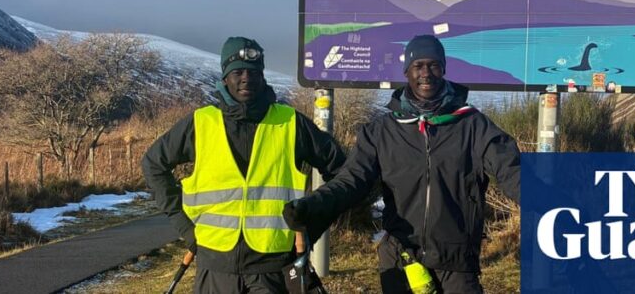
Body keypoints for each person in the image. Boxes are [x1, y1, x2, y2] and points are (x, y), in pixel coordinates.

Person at [284, 35, 521, 293]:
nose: (426, 73)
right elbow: (351, 180)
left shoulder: (474, 126)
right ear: (406, 71)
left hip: (456, 262)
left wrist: (544, 202)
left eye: (433, 65)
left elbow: (512, 172)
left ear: (443, 69)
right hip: (401, 260)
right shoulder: (381, 131)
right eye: (418, 66)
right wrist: (313, 206)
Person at [143, 37, 345, 293]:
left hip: (272, 269)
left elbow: (344, 173)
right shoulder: (201, 123)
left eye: (253, 72)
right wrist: (185, 227)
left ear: (262, 75)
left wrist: (312, 217)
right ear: (225, 77)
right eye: (237, 72)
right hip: (214, 266)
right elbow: (153, 164)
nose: (246, 79)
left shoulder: (291, 123)